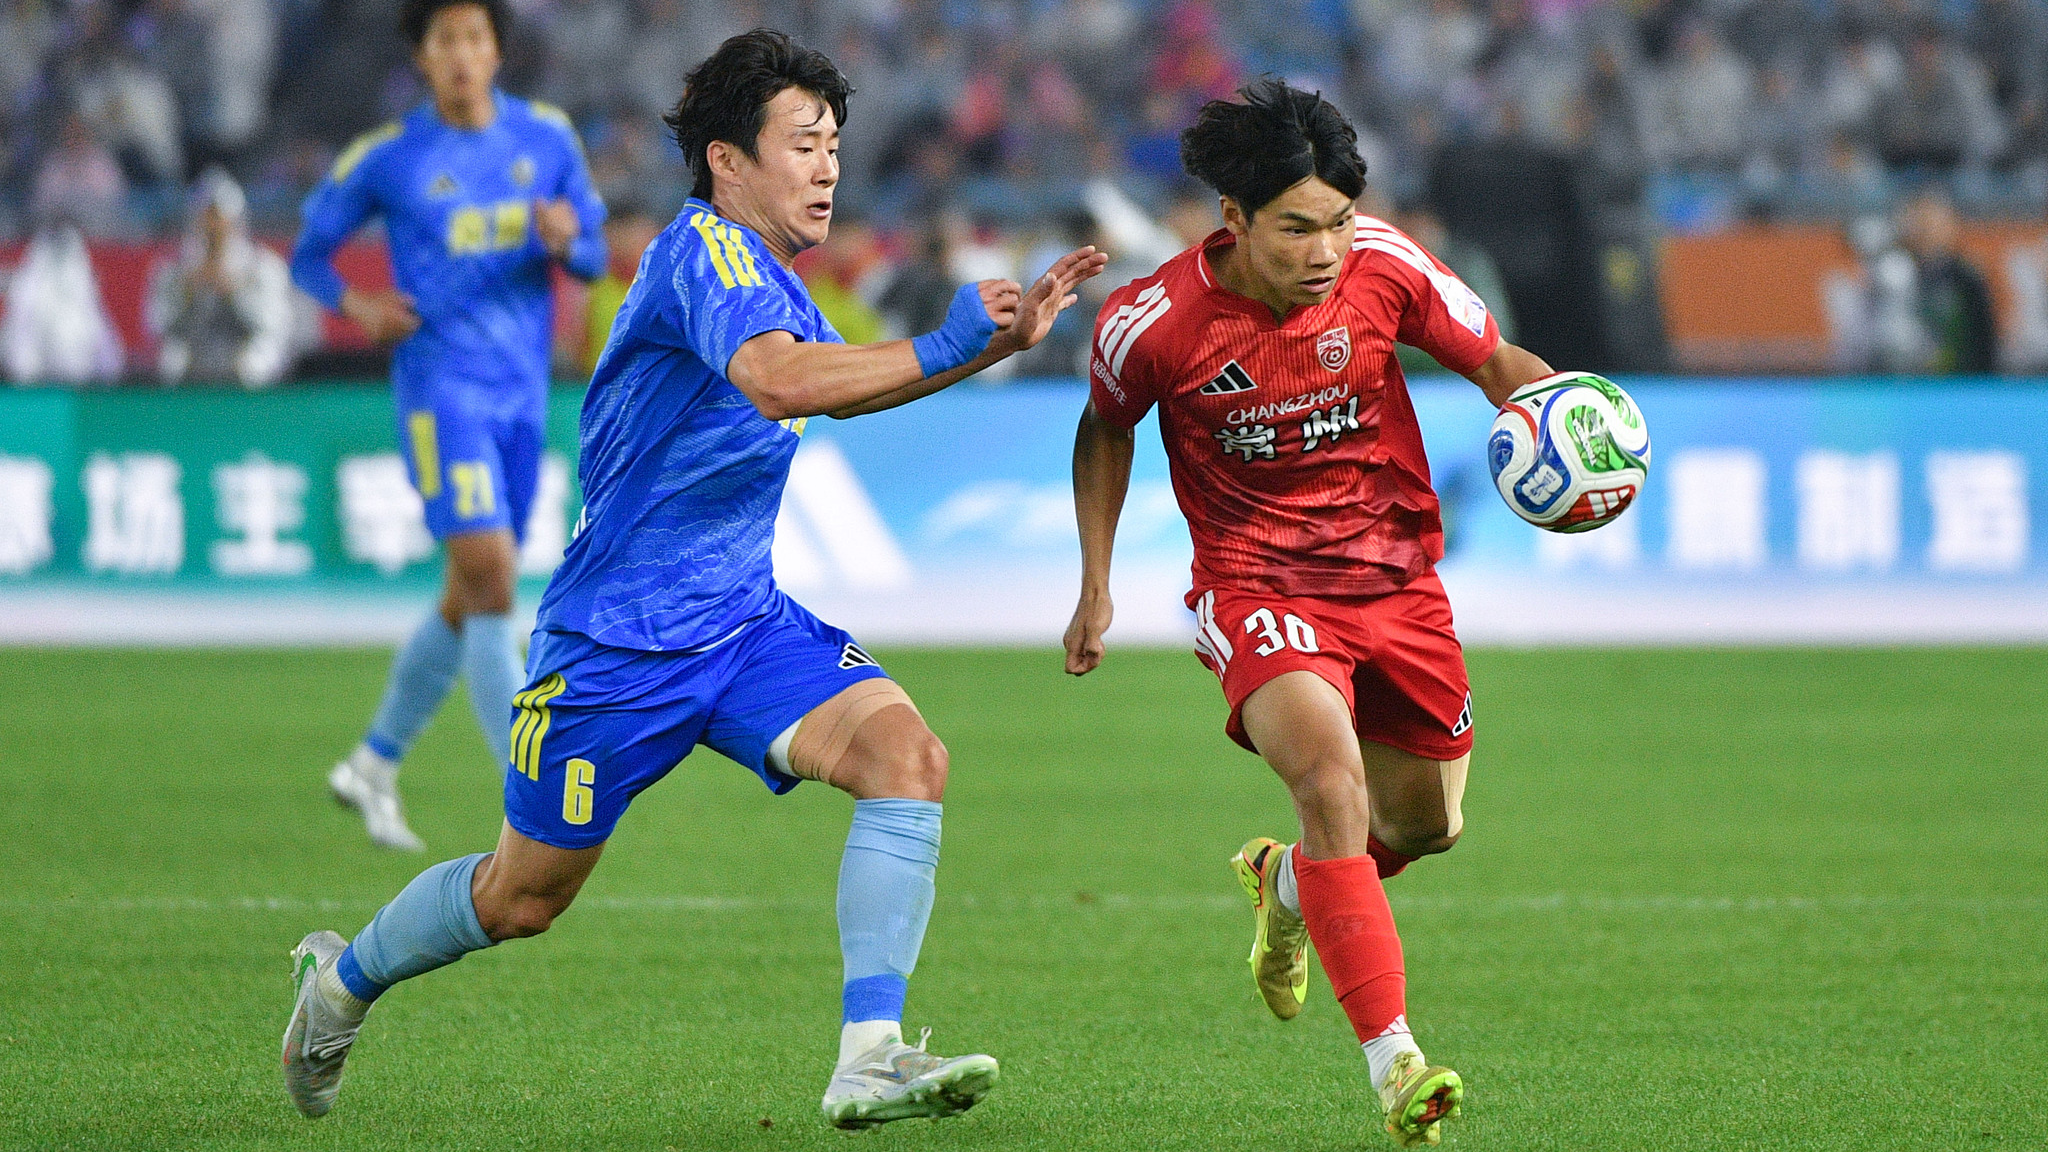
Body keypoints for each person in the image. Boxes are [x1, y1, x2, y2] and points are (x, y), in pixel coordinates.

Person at [281, 28, 1105, 1130]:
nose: (828, 168)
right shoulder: (701, 255)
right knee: (520, 898)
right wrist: (944, 341)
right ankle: (339, 988)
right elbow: (777, 382)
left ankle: (868, 1055)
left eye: (834, 146)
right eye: (803, 143)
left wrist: (979, 350)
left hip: (740, 627)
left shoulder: (771, 282)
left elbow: (828, 384)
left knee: (906, 757)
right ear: (727, 161)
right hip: (612, 651)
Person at [1063, 80, 1555, 1148]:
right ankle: (1395, 1065)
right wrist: (1096, 580)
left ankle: (1283, 882)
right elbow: (1104, 431)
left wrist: (1552, 414)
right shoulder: (1152, 323)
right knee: (1330, 785)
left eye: (1335, 221)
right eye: (1297, 227)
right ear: (1231, 222)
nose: (1325, 248)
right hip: (1255, 588)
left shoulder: (1383, 265)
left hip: (1394, 580)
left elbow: (1491, 358)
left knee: (1424, 826)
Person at [288, 0, 607, 851]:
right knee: (494, 581)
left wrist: (567, 241)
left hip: (521, 395)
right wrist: (357, 303)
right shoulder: (389, 158)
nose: (463, 55)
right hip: (442, 395)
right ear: (422, 60)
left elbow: (596, 253)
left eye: (475, 38)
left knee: (468, 594)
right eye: (444, 41)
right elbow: (307, 254)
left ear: (498, 50)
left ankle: (374, 761)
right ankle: (533, 788)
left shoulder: (548, 140)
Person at [147, 169, 298, 387]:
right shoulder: (174, 270)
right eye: (205, 218)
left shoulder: (263, 266)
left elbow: (273, 327)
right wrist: (189, 291)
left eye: (217, 218)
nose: (212, 227)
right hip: (193, 365)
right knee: (172, 356)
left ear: (236, 221)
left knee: (261, 354)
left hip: (245, 369)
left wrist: (233, 292)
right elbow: (158, 327)